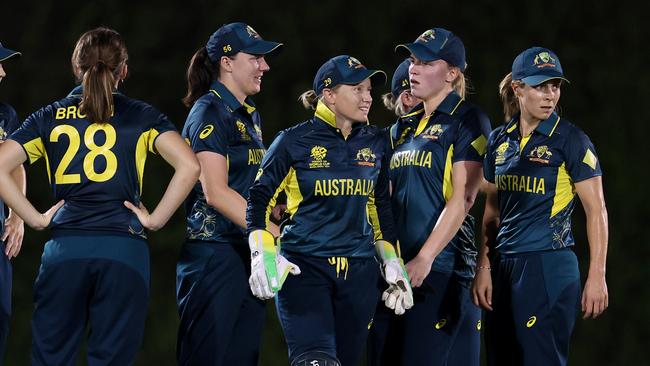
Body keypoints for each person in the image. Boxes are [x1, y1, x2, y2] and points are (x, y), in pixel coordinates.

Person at [0, 27, 200, 365]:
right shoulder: (141, 114)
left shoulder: (48, 116)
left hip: (65, 250)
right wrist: (155, 219)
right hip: (124, 250)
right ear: (123, 70)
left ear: (76, 68)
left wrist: (32, 217)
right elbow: (190, 166)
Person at [246, 55, 412, 366]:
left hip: (360, 276)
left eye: (369, 90)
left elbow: (379, 208)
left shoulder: (376, 142)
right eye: (357, 89)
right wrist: (262, 252)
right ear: (329, 95)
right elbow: (260, 199)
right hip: (304, 271)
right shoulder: (292, 141)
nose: (367, 98)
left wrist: (392, 261)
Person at [471, 46, 609, 366]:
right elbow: (492, 211)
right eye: (539, 86)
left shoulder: (571, 140)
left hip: (549, 267)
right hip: (505, 267)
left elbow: (596, 209)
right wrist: (485, 267)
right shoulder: (498, 140)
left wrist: (597, 275)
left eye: (555, 86)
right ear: (518, 88)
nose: (550, 95)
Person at [368, 28, 491, 366]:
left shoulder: (468, 119)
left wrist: (425, 258)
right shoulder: (405, 129)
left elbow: (464, 198)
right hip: (395, 273)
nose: (413, 69)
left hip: (439, 271)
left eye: (425, 62)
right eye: (412, 60)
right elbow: (382, 200)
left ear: (452, 73)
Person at [176, 22, 282, 366]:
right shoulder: (210, 110)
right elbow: (216, 192)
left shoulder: (250, 116)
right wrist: (272, 233)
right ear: (227, 61)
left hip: (246, 253)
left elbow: (244, 187)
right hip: (214, 255)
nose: (264, 66)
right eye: (256, 57)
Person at [0, 41, 25, 364]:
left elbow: (16, 164)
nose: (3, 71)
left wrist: (17, 214)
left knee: (2, 314)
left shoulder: (5, 115)